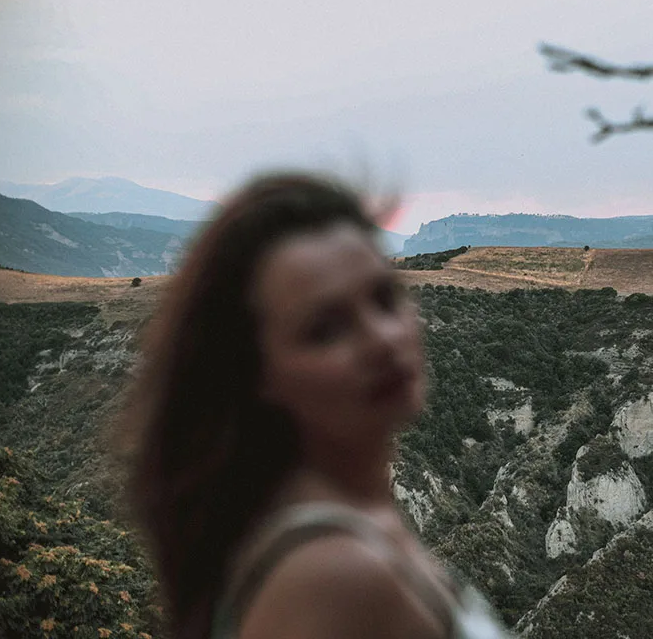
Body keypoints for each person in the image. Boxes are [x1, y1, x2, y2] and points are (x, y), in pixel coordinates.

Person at [123, 172, 512, 639]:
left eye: (385, 298)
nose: (382, 340)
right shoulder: (331, 578)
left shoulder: (343, 527)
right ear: (257, 374)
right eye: (326, 329)